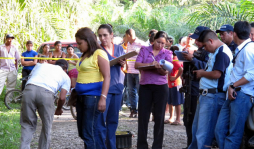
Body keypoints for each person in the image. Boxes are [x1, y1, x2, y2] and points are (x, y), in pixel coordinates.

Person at [188, 30, 233, 149]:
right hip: (206, 95)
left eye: (205, 46)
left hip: (213, 96)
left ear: (211, 41)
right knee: (197, 130)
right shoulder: (216, 51)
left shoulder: (222, 52)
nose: (205, 49)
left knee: (204, 134)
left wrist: (202, 73)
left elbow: (217, 74)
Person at [215, 21, 254, 149]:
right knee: (220, 131)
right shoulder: (242, 48)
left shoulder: (248, 49)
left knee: (234, 134)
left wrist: (233, 85)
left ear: (234, 34)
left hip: (242, 95)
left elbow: (251, 74)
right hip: (234, 94)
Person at [19, 59, 71, 149]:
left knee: (27, 123)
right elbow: (62, 97)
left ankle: (23, 147)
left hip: (29, 90)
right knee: (47, 125)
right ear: (65, 69)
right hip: (47, 93)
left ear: (55, 63)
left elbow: (30, 78)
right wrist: (58, 109)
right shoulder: (66, 77)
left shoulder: (41, 65)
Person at [135, 31, 173, 149]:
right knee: (143, 117)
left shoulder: (168, 53)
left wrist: (160, 68)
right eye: (158, 42)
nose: (160, 45)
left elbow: (166, 72)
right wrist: (151, 64)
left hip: (161, 87)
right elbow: (137, 65)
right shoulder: (144, 49)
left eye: (163, 43)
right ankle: (142, 145)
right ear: (153, 39)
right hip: (145, 86)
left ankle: (157, 146)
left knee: (159, 117)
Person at [75, 27, 110, 148]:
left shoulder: (99, 53)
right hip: (81, 98)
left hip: (93, 97)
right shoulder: (84, 55)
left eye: (80, 43)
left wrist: (103, 98)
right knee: (84, 132)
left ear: (88, 40)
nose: (78, 46)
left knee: (89, 132)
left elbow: (107, 76)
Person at [96, 24, 126, 149]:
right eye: (100, 35)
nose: (103, 38)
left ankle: (111, 146)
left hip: (117, 89)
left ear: (111, 35)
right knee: (100, 122)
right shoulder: (97, 50)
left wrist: (123, 63)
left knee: (113, 122)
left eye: (105, 35)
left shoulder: (119, 49)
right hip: (103, 89)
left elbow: (126, 68)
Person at [181, 26, 210, 149]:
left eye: (198, 39)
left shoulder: (209, 51)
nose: (196, 42)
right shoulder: (198, 50)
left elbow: (208, 68)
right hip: (189, 88)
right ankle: (190, 145)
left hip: (199, 90)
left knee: (194, 120)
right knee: (187, 119)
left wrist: (192, 59)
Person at [125, 28, 146, 118]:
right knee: (131, 91)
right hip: (129, 71)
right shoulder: (128, 44)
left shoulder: (141, 44)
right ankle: (133, 110)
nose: (125, 38)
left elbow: (146, 56)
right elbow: (126, 56)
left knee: (140, 91)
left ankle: (143, 110)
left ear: (129, 35)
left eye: (126, 36)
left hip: (138, 72)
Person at [164, 46, 184, 125]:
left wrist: (176, 77)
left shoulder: (175, 61)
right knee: (170, 102)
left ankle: (178, 119)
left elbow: (181, 69)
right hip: (171, 84)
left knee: (177, 102)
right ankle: (171, 117)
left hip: (176, 84)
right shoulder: (172, 60)